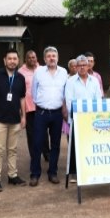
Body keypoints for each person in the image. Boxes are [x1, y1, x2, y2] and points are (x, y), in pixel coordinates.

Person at [0, 49, 27, 191]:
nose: (12, 61)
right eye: (10, 58)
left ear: (18, 60)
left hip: (15, 120)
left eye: (15, 59)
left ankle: (12, 176)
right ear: (4, 60)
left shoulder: (20, 78)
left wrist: (23, 116)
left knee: (13, 149)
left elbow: (22, 98)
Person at [30, 46, 68, 186]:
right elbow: (33, 92)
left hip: (57, 113)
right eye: (49, 56)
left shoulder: (63, 72)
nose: (52, 58)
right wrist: (41, 104)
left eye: (54, 56)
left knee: (56, 144)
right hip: (41, 112)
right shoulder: (39, 72)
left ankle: (53, 172)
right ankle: (35, 174)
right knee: (37, 143)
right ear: (45, 58)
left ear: (57, 58)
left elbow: (65, 93)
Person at [64, 55, 103, 182]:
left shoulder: (94, 81)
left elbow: (98, 99)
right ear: (76, 67)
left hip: (92, 120)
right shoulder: (70, 81)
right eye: (79, 65)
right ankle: (74, 173)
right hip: (77, 119)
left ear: (88, 66)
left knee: (91, 145)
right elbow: (69, 102)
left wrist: (93, 117)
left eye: (84, 65)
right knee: (75, 146)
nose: (81, 67)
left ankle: (90, 170)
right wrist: (79, 116)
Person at [20, 50, 50, 163]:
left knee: (44, 133)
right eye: (29, 57)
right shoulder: (20, 72)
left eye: (34, 57)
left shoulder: (43, 69)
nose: (32, 59)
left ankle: (47, 154)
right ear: (25, 59)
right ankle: (34, 157)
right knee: (31, 134)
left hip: (42, 106)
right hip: (28, 107)